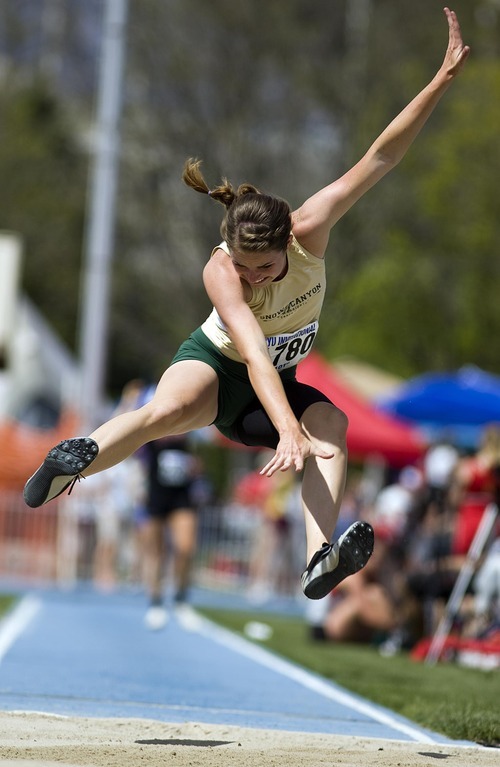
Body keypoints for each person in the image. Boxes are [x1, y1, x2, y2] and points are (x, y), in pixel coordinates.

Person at [23, 8, 469, 602]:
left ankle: (318, 557)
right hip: (218, 363)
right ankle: (70, 463)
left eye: (264, 269)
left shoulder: (310, 227)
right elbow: (254, 354)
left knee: (332, 424)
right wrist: (286, 430)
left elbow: (380, 158)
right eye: (243, 267)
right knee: (165, 412)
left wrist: (438, 81)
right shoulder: (220, 271)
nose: (253, 280)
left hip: (272, 384)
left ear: (288, 243)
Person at [139, 434, 204, 630]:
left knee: (185, 547)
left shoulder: (190, 425)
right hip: (156, 494)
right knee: (156, 552)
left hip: (181, 496)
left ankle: (181, 599)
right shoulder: (150, 416)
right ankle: (156, 602)